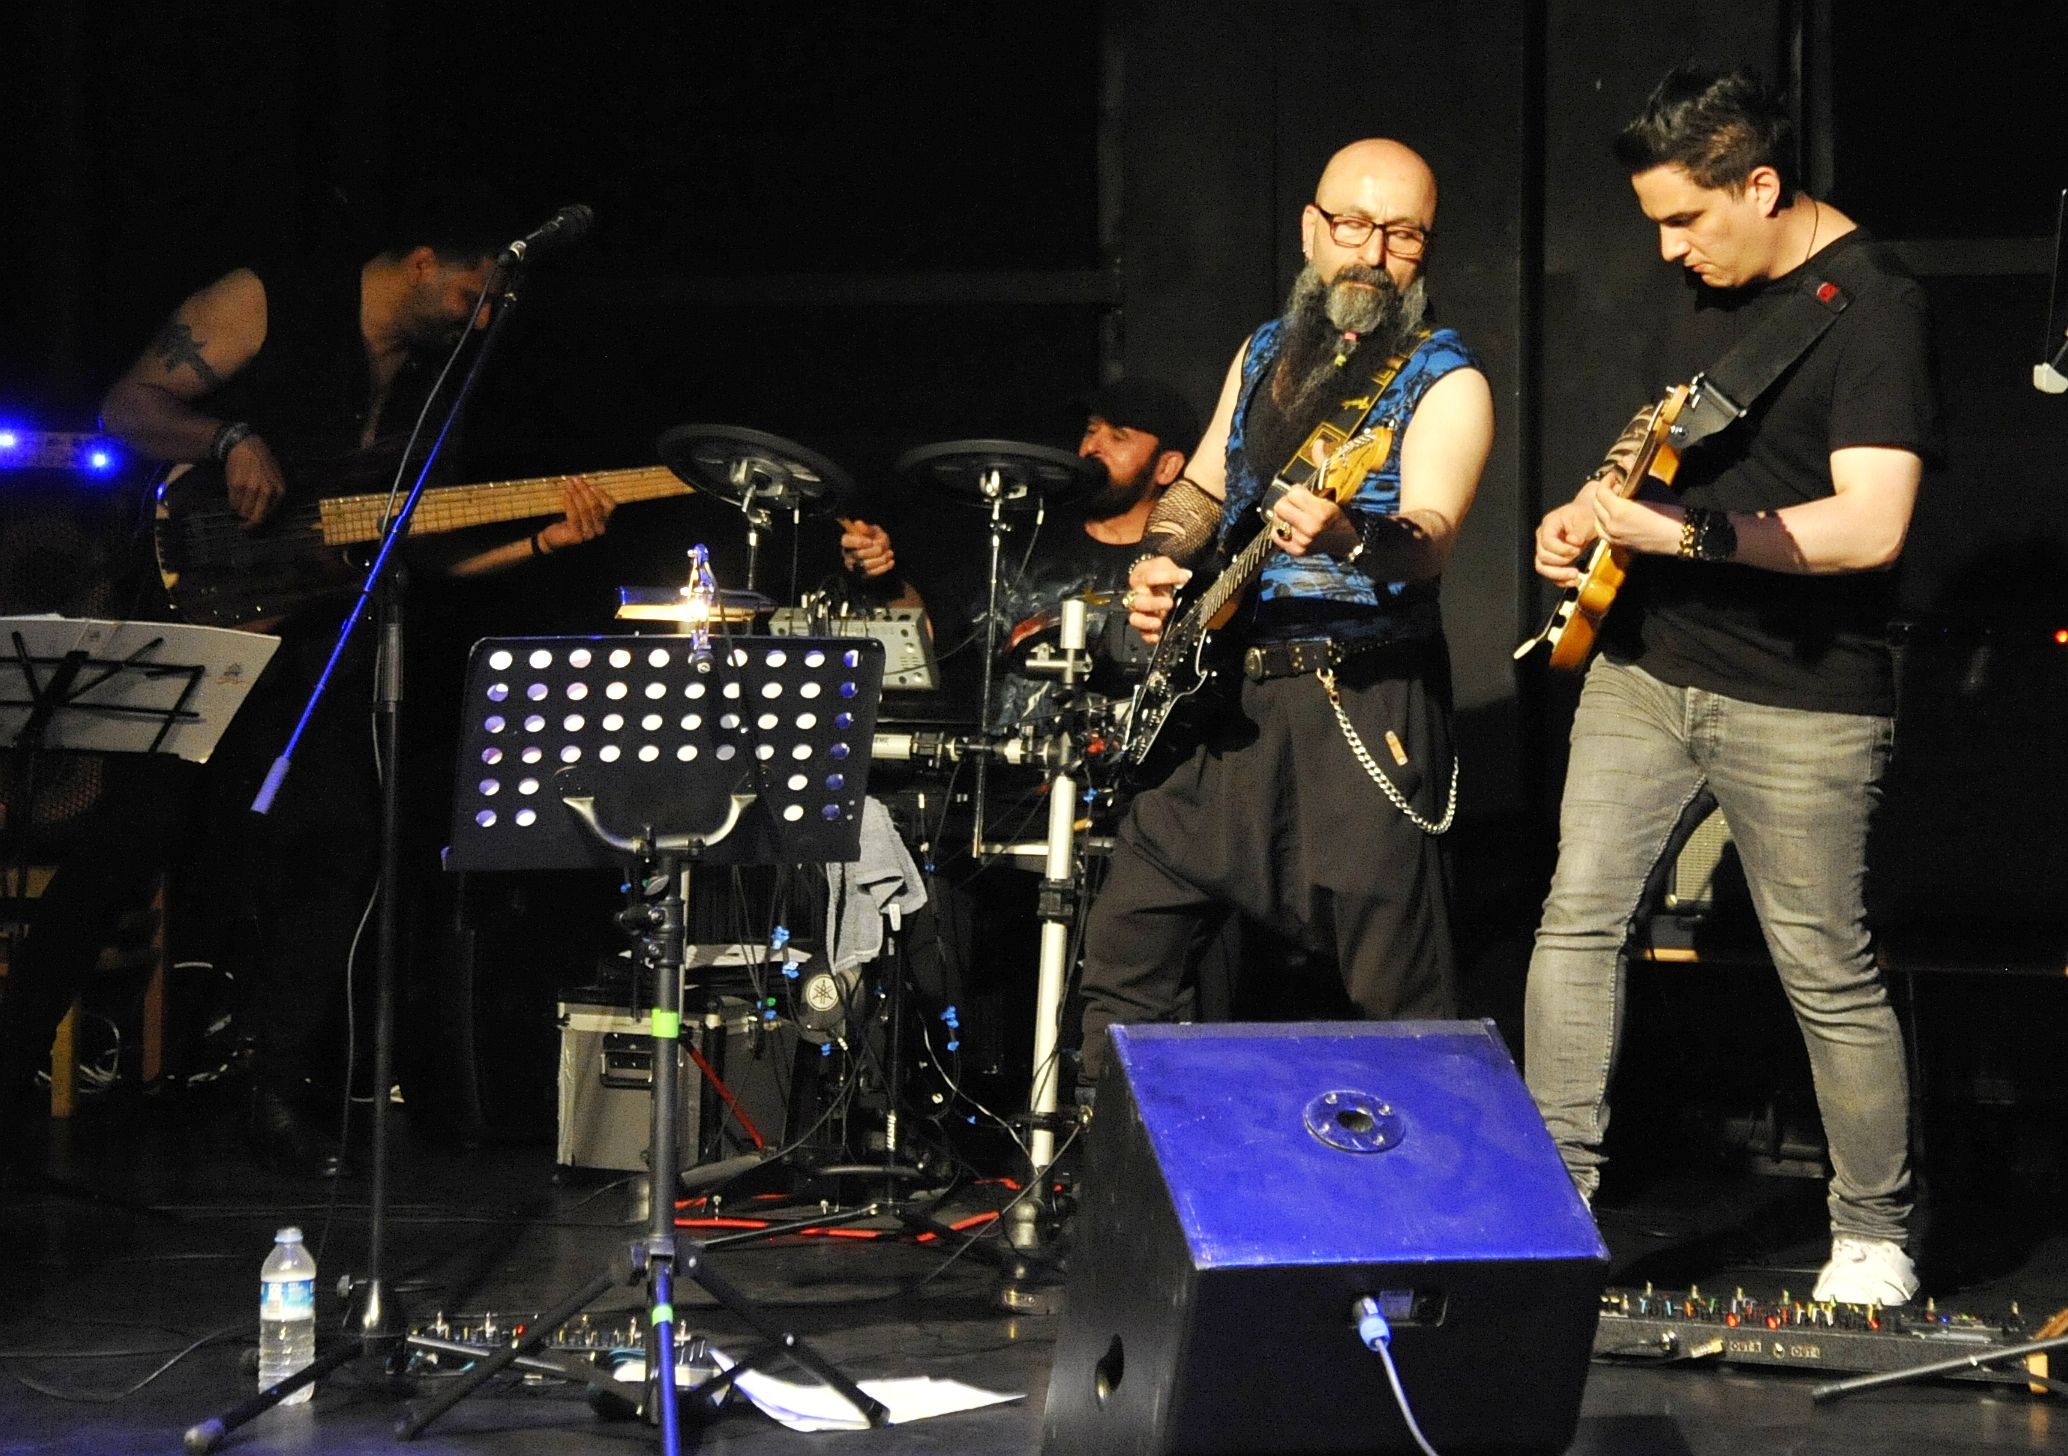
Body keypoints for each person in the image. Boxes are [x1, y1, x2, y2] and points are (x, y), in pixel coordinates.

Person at [1520, 67, 1939, 1306]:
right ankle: (1551, 1210)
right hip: (1647, 667)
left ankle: (1870, 1232)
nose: (1668, 248)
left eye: (1685, 218)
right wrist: (1589, 515)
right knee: (1576, 920)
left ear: (1760, 185)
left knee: (1824, 964)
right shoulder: (1711, 289)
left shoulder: (1876, 306)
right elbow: (1666, 444)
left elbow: (1871, 525)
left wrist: (1688, 536)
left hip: (1803, 696)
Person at [96, 200, 618, 1175]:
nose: (481, 319)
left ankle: (270, 1085)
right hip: (190, 606)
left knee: (344, 842)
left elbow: (413, 552)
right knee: (120, 843)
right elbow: (126, 410)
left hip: (312, 639)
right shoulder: (268, 300)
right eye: (472, 295)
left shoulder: (429, 386)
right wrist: (227, 435)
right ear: (422, 263)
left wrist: (545, 541)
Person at [1074, 137, 1494, 1088]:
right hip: (1226, 699)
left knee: (1400, 997)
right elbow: (1201, 491)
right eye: (1352, 224)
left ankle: (1426, 1172)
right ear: (1311, 229)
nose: (1372, 254)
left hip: (1359, 700)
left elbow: (1429, 535)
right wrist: (1161, 558)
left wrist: (1350, 533)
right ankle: (1121, 1168)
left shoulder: (1446, 377)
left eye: (1402, 235)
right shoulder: (1266, 350)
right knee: (1128, 950)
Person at [839, 377, 1201, 723]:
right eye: (1091, 431)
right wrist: (880, 576)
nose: (1092, 447)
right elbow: (933, 638)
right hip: (1006, 759)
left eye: (1118, 437)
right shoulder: (1028, 541)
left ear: (1167, 467)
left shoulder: (1177, 569)